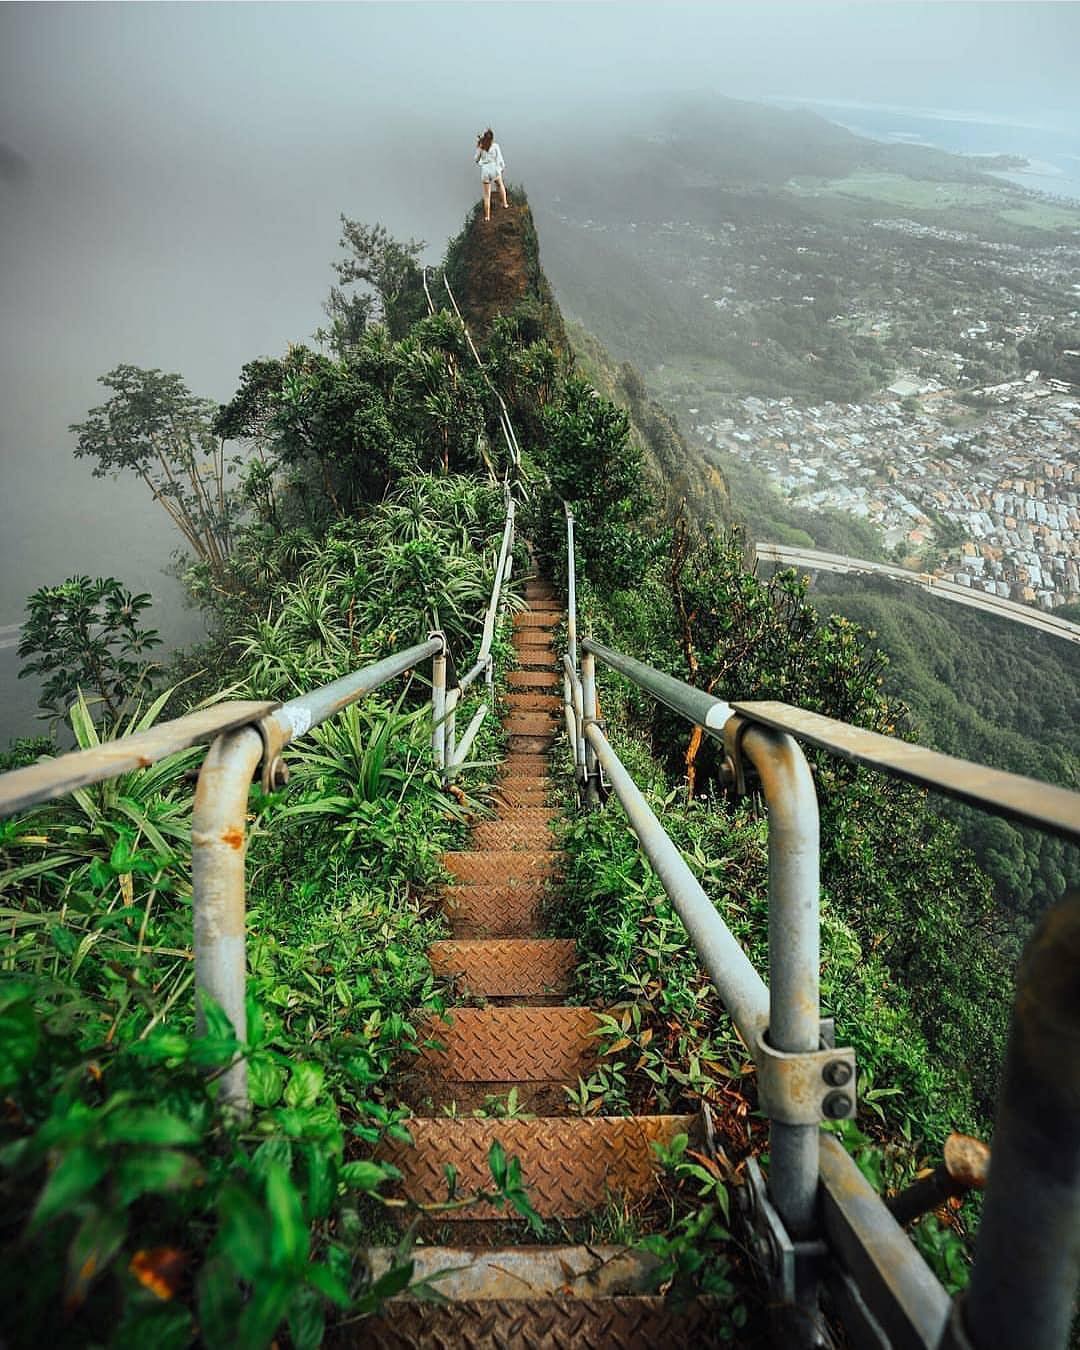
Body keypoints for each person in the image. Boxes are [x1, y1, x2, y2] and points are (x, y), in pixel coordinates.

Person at [475, 129, 508, 221]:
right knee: (500, 184)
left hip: (485, 171)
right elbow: (500, 158)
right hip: (494, 169)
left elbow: (476, 160)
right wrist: (501, 168)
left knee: (487, 195)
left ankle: (487, 216)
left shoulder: (481, 147)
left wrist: (479, 148)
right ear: (492, 138)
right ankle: (505, 204)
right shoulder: (495, 146)